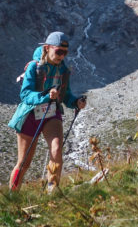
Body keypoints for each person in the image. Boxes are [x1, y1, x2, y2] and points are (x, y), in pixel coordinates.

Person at [8, 31, 87, 192]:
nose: (62, 56)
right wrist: (45, 96)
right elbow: (25, 94)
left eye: (65, 53)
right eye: (58, 51)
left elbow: (66, 95)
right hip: (30, 114)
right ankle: (13, 196)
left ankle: (53, 191)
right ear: (47, 48)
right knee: (24, 162)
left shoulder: (63, 70)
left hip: (51, 113)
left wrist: (76, 102)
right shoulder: (34, 67)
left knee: (56, 149)